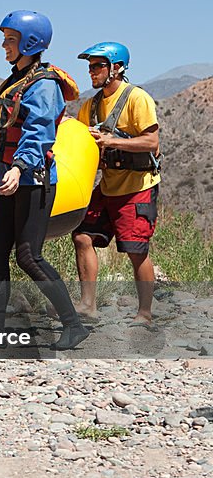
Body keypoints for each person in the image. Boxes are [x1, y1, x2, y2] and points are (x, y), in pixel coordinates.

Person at [0, 11, 89, 351]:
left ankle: (74, 325)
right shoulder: (17, 79)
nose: (3, 45)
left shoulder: (43, 84)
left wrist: (18, 167)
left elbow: (39, 133)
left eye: (10, 40)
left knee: (29, 256)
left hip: (33, 181)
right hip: (8, 177)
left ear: (29, 43)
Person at [71, 42, 161, 328]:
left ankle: (145, 315)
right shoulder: (91, 105)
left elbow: (152, 142)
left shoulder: (137, 98)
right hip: (108, 184)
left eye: (98, 66)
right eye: (90, 66)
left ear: (116, 68)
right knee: (82, 236)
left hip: (137, 186)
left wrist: (111, 140)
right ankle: (88, 305)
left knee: (136, 250)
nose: (91, 71)